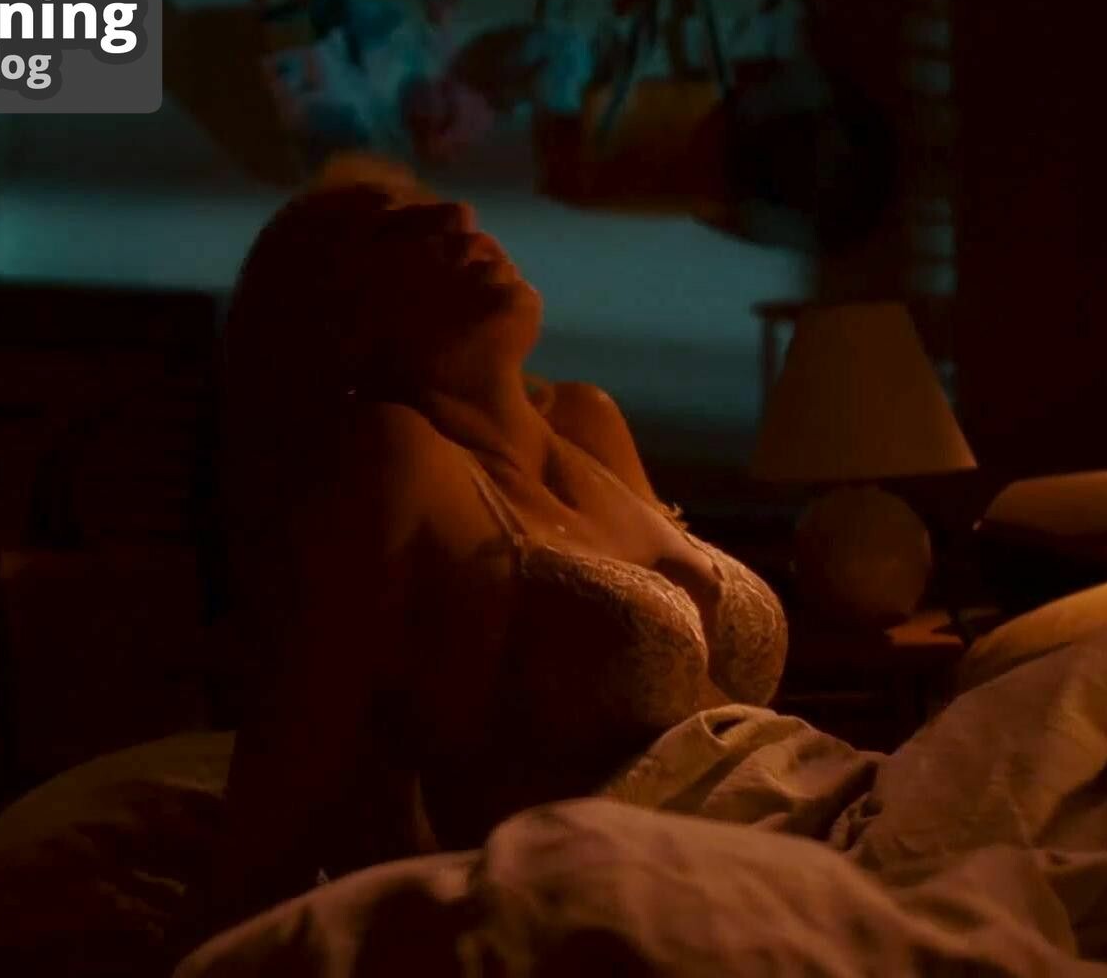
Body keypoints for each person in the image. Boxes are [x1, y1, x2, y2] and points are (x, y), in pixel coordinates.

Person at [198, 154, 788, 931]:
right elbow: (297, 761)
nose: (458, 215)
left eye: (435, 200)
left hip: (816, 810)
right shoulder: (396, 455)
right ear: (337, 319)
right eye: (391, 229)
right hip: (667, 893)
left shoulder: (587, 421)